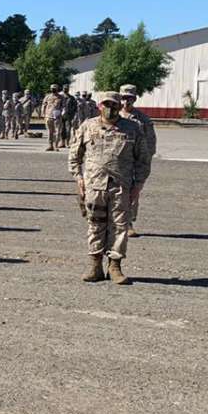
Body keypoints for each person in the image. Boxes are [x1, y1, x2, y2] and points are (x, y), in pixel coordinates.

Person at [68, 92, 152, 284]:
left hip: (121, 187)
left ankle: (115, 266)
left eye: (114, 104)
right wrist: (78, 178)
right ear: (99, 105)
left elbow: (143, 161)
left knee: (120, 226)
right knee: (95, 224)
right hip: (94, 186)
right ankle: (95, 265)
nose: (110, 108)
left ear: (119, 106)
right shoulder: (88, 126)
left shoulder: (133, 128)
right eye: (106, 104)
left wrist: (138, 185)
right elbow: (74, 155)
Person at [119, 84, 158, 237]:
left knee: (132, 192)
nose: (126, 102)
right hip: (115, 161)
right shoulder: (112, 116)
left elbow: (150, 142)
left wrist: (145, 162)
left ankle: (128, 223)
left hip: (134, 161)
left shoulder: (142, 119)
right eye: (123, 98)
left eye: (129, 98)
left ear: (134, 99)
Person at [41, 85, 64, 151]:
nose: (53, 89)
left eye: (54, 88)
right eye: (52, 88)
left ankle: (56, 145)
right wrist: (43, 113)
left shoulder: (61, 97)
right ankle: (50, 145)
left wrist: (62, 112)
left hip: (57, 116)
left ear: (57, 89)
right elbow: (44, 105)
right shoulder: (47, 96)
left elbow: (64, 106)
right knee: (49, 132)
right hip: (48, 116)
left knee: (57, 132)